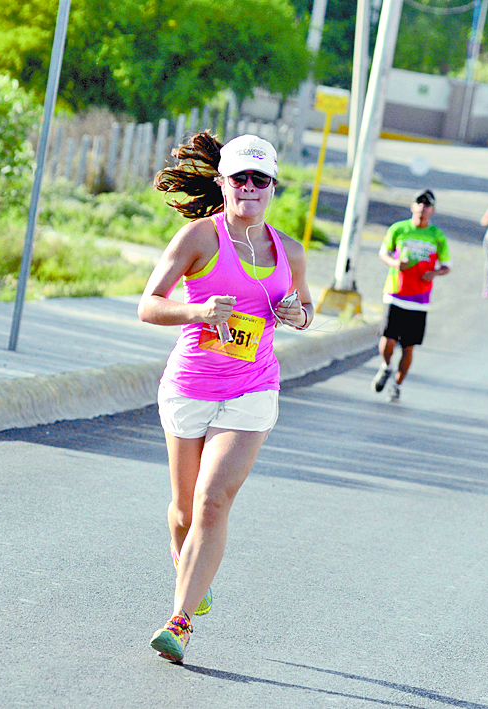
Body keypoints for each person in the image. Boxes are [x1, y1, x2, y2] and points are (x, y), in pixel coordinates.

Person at [138, 133, 313, 663]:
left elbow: (306, 308)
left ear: (273, 187)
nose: (250, 188)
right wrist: (194, 312)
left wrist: (296, 316)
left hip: (252, 389)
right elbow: (148, 305)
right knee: (184, 511)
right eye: (240, 178)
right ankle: (187, 561)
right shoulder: (198, 237)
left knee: (214, 501)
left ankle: (179, 621)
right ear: (223, 182)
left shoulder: (290, 250)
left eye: (261, 180)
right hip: (190, 385)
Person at [372, 189, 451, 402]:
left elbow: (447, 266)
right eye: (419, 203)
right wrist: (395, 263)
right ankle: (386, 366)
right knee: (387, 341)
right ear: (413, 206)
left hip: (419, 299)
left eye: (427, 204)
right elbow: (383, 252)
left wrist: (433, 273)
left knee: (408, 347)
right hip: (395, 293)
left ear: (432, 210)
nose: (423, 207)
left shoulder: (437, 235)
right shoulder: (399, 229)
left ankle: (397, 385)